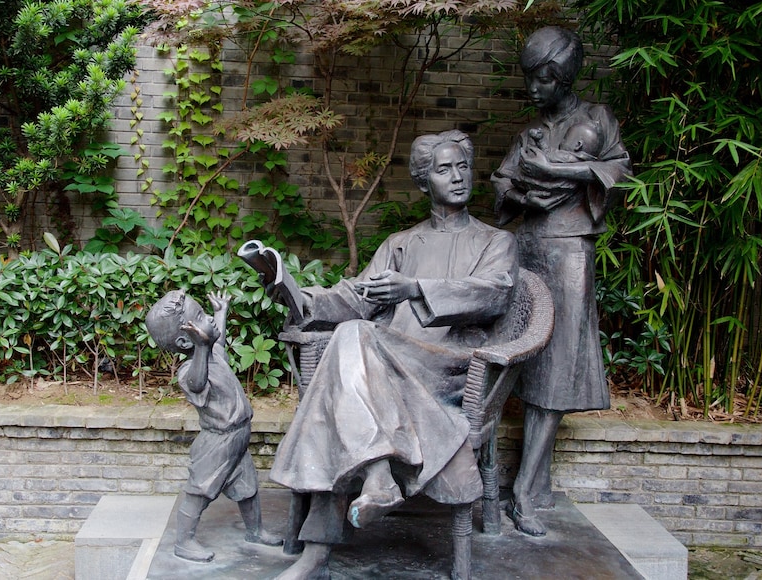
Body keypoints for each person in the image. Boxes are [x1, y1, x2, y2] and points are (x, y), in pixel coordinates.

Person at [270, 130, 519, 579]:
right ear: (424, 182)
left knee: (352, 343)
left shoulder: (495, 242)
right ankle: (375, 479)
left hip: (447, 366)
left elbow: (493, 295)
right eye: (444, 169)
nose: (457, 176)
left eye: (462, 166)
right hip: (386, 363)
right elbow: (358, 297)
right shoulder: (401, 244)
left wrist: (415, 288)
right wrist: (302, 298)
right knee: (350, 344)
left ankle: (319, 548)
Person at [490, 26, 632, 537]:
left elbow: (619, 170)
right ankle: (536, 485)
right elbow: (501, 188)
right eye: (531, 78)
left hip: (571, 252)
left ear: (566, 76)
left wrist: (562, 171)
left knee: (556, 370)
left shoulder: (596, 120)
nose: (536, 89)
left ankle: (525, 494)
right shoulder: (528, 134)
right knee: (521, 361)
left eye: (546, 79)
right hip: (527, 250)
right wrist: (524, 196)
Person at [145, 290, 282, 562]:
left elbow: (217, 341)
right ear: (186, 340)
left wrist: (221, 311)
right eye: (200, 317)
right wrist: (203, 347)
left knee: (248, 487)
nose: (207, 318)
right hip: (217, 442)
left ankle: (255, 531)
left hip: (238, 437)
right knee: (199, 491)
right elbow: (198, 383)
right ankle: (184, 541)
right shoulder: (189, 372)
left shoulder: (214, 354)